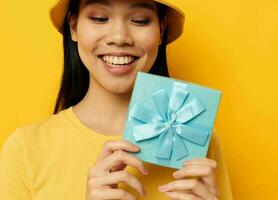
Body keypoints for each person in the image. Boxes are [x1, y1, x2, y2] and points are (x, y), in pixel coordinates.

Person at [0, 0, 233, 199]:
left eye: (140, 20)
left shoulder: (197, 137)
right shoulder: (25, 148)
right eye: (100, 18)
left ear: (161, 30)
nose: (120, 37)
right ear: (73, 26)